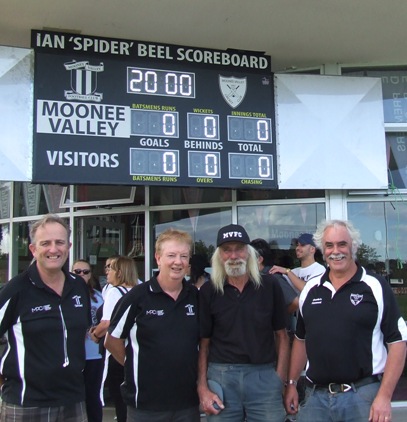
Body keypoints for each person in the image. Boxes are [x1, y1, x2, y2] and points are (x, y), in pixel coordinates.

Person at [284, 220, 407, 422]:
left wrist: (384, 396)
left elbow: (398, 342)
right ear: (322, 251)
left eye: (342, 244)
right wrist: (291, 383)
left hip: (362, 397)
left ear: (354, 247)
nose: (336, 251)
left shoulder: (375, 286)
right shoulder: (310, 289)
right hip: (315, 399)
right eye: (329, 245)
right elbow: (301, 340)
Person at [0, 214, 91, 421]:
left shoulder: (78, 286)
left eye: (59, 242)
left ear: (68, 246)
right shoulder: (16, 289)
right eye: (45, 243)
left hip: (73, 401)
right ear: (33, 249)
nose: (53, 249)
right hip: (26, 404)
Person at [105, 228, 200, 422]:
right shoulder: (137, 297)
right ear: (158, 258)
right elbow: (112, 340)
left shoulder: (196, 297)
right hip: (145, 407)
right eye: (171, 255)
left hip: (187, 405)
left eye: (184, 256)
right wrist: (137, 366)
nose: (178, 261)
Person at [198, 224, 289, 422]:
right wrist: (203, 387)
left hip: (264, 376)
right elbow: (203, 344)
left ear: (249, 253)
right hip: (221, 377)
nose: (233, 255)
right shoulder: (208, 291)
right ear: (218, 255)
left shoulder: (270, 286)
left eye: (239, 248)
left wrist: (279, 379)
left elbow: (282, 335)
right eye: (226, 250)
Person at [90, 256, 138, 422]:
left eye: (110, 268)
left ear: (119, 272)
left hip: (116, 352)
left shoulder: (114, 292)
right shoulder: (138, 290)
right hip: (134, 350)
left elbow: (107, 322)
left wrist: (95, 335)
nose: (107, 272)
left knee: (120, 399)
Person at [72, 259, 104, 422]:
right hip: (71, 355)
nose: (82, 275)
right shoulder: (64, 296)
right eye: (78, 272)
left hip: (93, 355)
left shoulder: (99, 297)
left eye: (85, 272)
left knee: (92, 397)